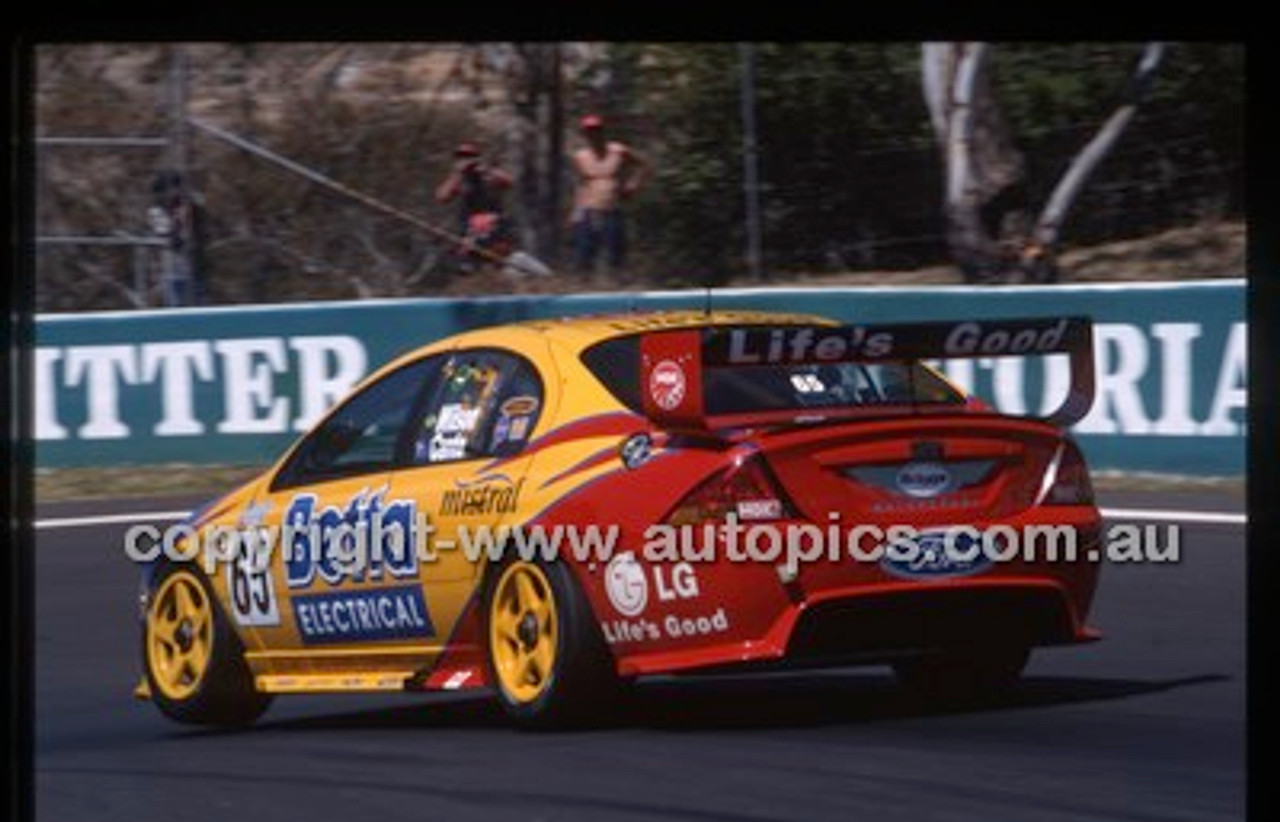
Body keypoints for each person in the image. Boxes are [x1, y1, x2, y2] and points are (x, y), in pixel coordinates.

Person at [569, 114, 649, 274]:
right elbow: (580, 184)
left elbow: (643, 164)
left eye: (596, 130)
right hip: (588, 209)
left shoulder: (618, 150)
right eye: (589, 131)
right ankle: (584, 290)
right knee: (584, 255)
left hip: (613, 208)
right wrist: (575, 211)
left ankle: (618, 289)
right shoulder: (580, 157)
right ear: (584, 133)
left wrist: (633, 184)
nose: (593, 133)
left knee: (616, 253)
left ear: (602, 131)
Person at [434, 142, 515, 267]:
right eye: (461, 157)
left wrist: (486, 169)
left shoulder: (487, 174)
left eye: (469, 156)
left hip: (494, 225)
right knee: (465, 255)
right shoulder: (460, 178)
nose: (465, 160)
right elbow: (442, 197)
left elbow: (509, 181)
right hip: (470, 227)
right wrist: (458, 174)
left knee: (501, 253)